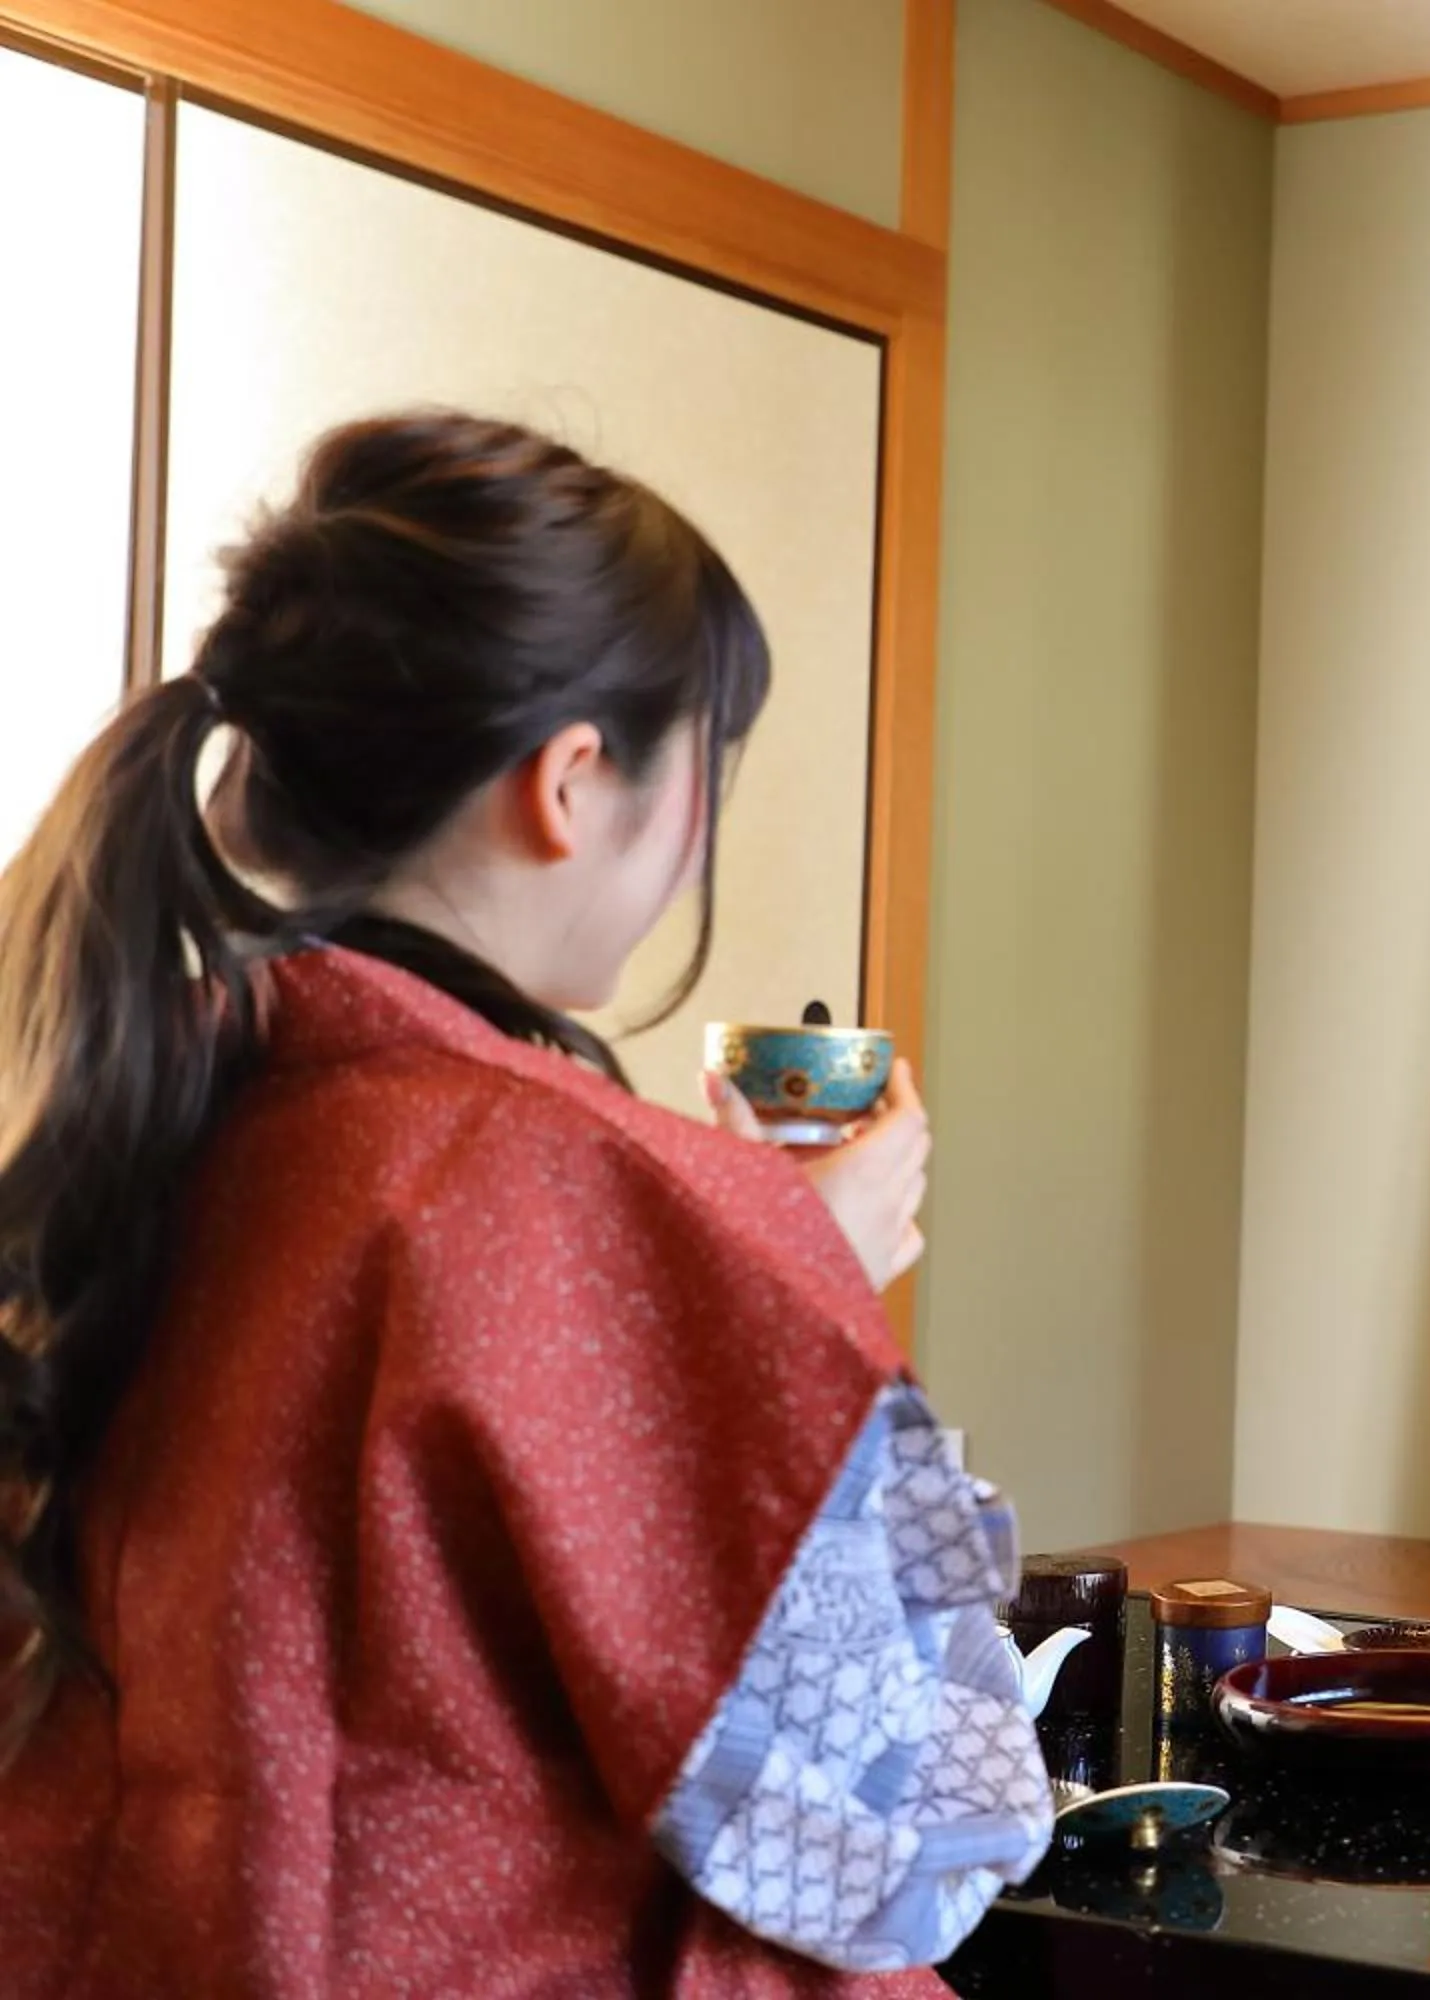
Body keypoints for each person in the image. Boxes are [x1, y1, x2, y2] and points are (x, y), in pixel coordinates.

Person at [0, 414, 1051, 1994]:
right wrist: (763, 1292)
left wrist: (759, 1277)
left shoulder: (126, 1119)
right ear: (571, 783)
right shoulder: (598, 1194)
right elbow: (908, 1839)